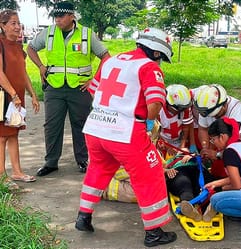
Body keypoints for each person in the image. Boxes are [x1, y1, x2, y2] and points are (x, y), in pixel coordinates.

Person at [75, 27, 177, 247]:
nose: (160, 63)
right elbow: (155, 104)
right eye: (161, 58)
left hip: (95, 128)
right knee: (150, 176)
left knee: (98, 169)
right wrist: (146, 123)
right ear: (157, 52)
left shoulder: (111, 61)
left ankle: (84, 216)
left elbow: (94, 89)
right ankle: (154, 232)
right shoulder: (149, 67)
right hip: (126, 133)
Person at [26, 1, 110, 176]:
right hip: (54, 87)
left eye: (61, 16)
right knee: (52, 125)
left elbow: (106, 56)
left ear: (72, 16)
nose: (57, 20)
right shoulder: (48, 33)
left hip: (79, 89)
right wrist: (41, 66)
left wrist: (94, 81)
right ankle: (51, 162)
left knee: (81, 124)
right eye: (55, 16)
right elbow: (31, 48)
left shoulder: (86, 34)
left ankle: (83, 160)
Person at [0, 10, 40, 189]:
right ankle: (2, 176)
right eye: (13, 23)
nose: (18, 27)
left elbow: (23, 73)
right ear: (3, 25)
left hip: (17, 97)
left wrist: (33, 94)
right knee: (2, 136)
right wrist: (13, 94)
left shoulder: (17, 46)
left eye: (19, 23)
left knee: (14, 133)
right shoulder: (0, 44)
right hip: (4, 97)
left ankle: (17, 171)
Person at [194, 84, 241, 178]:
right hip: (224, 136)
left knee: (231, 165)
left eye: (216, 114)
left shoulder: (238, 109)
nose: (213, 117)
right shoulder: (205, 107)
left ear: (224, 105)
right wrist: (206, 148)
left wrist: (218, 154)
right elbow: (203, 129)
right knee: (217, 173)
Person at [156, 84, 195, 159]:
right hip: (162, 141)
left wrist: (182, 145)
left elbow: (186, 127)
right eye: (180, 109)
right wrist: (167, 146)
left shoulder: (185, 108)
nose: (182, 111)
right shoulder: (159, 110)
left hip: (178, 141)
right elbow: (156, 131)